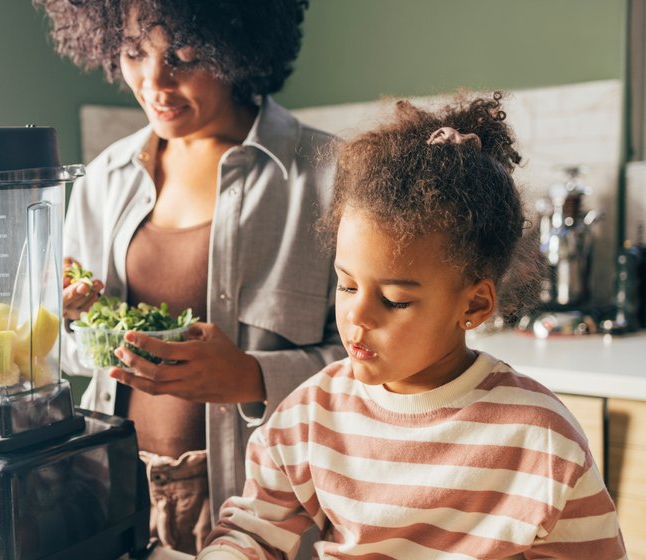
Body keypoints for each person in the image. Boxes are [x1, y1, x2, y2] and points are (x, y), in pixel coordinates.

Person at [198, 93, 628, 559]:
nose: (357, 315)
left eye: (394, 299)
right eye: (346, 286)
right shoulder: (311, 415)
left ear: (475, 305)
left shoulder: (541, 439)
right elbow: (252, 533)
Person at [33, 0, 346, 554]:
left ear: (237, 48)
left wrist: (252, 377)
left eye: (182, 55)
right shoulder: (105, 178)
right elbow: (73, 356)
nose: (154, 81)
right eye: (134, 53)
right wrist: (69, 314)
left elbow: (382, 372)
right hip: (114, 492)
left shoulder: (327, 176)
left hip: (258, 508)